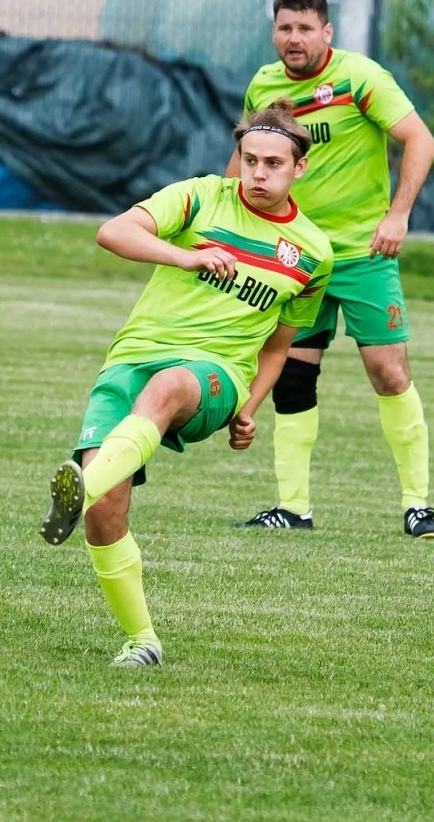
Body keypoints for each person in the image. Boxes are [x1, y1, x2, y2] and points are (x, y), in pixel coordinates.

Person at [40, 100, 333, 667]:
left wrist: (249, 407)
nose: (258, 173)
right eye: (250, 160)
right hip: (132, 359)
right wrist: (185, 257)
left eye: (273, 163)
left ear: (299, 167)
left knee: (170, 386)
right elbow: (112, 232)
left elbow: (278, 345)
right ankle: (142, 640)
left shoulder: (313, 254)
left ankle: (81, 487)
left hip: (216, 372)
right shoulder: (200, 196)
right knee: (106, 515)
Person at [233, 0, 434, 539]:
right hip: (296, 256)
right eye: (285, 28)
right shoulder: (264, 85)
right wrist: (224, 230)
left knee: (389, 372)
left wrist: (398, 215)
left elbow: (420, 140)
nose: (294, 38)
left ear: (326, 32)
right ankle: (293, 507)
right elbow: (246, 160)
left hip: (362, 254)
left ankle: (418, 504)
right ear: (274, 32)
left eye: (305, 28)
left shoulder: (360, 78)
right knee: (292, 376)